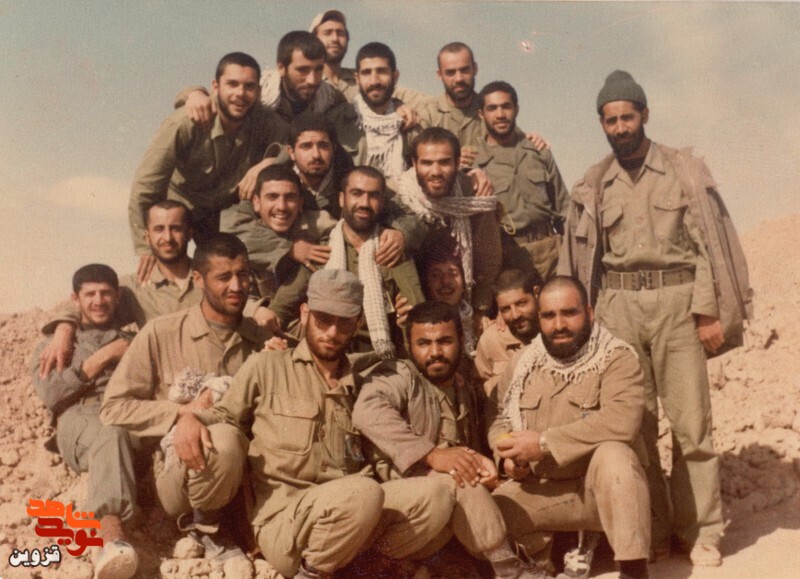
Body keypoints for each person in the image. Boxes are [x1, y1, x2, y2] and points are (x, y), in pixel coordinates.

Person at [558, 70, 751, 566]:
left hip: (678, 304)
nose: (620, 127)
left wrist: (707, 310)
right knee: (634, 425)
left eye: (628, 117)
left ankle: (702, 531)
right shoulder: (594, 183)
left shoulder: (683, 171)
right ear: (601, 124)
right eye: (611, 120)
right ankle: (652, 530)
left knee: (691, 425)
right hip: (618, 309)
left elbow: (708, 245)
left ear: (644, 114)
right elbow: (579, 260)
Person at [172, 269, 455, 577]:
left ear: (358, 322)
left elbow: (378, 455)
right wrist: (190, 418)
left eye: (344, 323)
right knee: (363, 493)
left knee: (437, 496)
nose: (332, 332)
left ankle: (357, 566)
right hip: (287, 523)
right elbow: (224, 416)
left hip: (354, 516)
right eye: (323, 319)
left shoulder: (363, 383)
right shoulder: (267, 367)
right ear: (305, 313)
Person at [100, 234, 271, 557]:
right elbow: (113, 408)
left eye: (243, 275)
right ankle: (206, 531)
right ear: (198, 279)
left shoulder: (262, 340)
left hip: (249, 478)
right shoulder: (161, 332)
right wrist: (181, 413)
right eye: (224, 277)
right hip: (181, 474)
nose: (237, 286)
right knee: (222, 440)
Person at [353, 301, 548, 579]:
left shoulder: (463, 386)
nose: (435, 352)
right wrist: (432, 455)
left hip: (442, 518)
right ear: (409, 346)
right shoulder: (398, 376)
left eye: (445, 341)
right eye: (424, 343)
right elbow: (367, 412)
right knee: (459, 477)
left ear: (461, 340)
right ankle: (510, 571)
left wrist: (491, 465)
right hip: (398, 516)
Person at [488, 276, 650, 579]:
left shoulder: (616, 357)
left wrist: (544, 443)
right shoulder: (523, 362)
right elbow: (499, 417)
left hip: (598, 493)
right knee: (487, 517)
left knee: (616, 457)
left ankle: (633, 569)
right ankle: (551, 555)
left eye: (569, 313)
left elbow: (622, 421)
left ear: (589, 312)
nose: (559, 325)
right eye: (549, 316)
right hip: (544, 489)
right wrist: (507, 455)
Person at [129, 52, 289, 275]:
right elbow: (146, 186)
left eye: (249, 86)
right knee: (167, 272)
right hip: (180, 207)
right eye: (232, 84)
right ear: (215, 87)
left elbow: (290, 147)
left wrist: (268, 162)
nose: (240, 94)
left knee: (228, 271)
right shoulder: (185, 122)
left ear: (258, 91)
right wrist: (145, 246)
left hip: (221, 214)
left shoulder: (264, 121)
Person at [32, 264, 138, 579]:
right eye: (90, 294)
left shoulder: (132, 340)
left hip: (128, 413)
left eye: (105, 293)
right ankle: (110, 536)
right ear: (75, 299)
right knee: (110, 433)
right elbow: (50, 393)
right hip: (79, 417)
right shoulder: (57, 343)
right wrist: (100, 359)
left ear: (117, 296)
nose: (98, 301)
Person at [38, 200, 203, 377]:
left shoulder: (210, 278)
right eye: (159, 229)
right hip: (165, 383)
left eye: (176, 229)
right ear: (147, 236)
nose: (168, 238)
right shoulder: (136, 286)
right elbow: (89, 306)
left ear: (189, 233)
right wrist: (64, 330)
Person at [396, 127, 502, 330]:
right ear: (414, 164)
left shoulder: (474, 193)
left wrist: (479, 310)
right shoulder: (400, 195)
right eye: (426, 163)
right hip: (417, 292)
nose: (435, 172)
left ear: (457, 162)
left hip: (462, 293)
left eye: (444, 162)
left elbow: (488, 258)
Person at [323, 165, 425, 357]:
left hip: (380, 357)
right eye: (356, 193)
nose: (364, 203)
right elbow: (284, 306)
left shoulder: (392, 248)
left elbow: (416, 314)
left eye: (373, 196)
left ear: (382, 202)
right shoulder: (323, 248)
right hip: (330, 354)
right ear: (342, 199)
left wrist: (405, 320)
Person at [474, 81, 569, 280]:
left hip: (551, 253)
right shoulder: (475, 164)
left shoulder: (539, 151)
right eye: (492, 108)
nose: (500, 114)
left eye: (506, 106)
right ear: (481, 114)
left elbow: (564, 209)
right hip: (507, 258)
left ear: (516, 109)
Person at [307, 9, 429, 108]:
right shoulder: (308, 80)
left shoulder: (363, 75)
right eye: (327, 33)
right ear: (314, 40)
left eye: (340, 33)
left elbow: (403, 94)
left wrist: (398, 104)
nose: (335, 39)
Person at [475, 268, 541, 399]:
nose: (515, 315)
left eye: (521, 303)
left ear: (536, 293)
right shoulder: (491, 340)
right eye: (506, 309)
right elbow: (480, 389)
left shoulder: (554, 332)